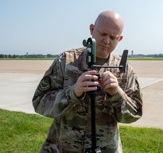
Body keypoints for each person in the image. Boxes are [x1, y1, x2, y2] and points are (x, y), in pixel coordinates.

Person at [32, 10, 143, 153]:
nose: (107, 41)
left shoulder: (125, 70)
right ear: (91, 29)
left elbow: (134, 114)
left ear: (120, 39)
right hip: (61, 148)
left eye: (113, 37)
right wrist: (72, 93)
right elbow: (39, 102)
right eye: (103, 34)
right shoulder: (66, 61)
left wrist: (116, 94)